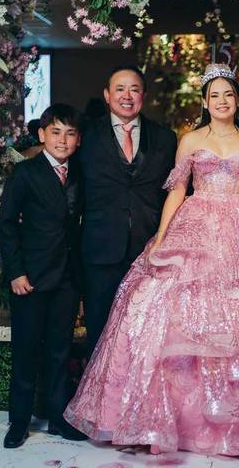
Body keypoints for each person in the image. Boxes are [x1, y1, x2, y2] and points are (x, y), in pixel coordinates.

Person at [63, 64, 239, 455]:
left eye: (228, 94)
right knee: (170, 314)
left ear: (238, 100)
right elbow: (176, 191)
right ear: (205, 101)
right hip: (196, 223)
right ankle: (175, 421)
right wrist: (162, 238)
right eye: (214, 95)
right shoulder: (189, 141)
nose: (221, 101)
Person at [0, 104, 88, 448]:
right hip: (31, 279)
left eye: (70, 133)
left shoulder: (80, 173)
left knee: (60, 351)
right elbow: (7, 225)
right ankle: (19, 422)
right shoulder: (26, 173)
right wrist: (16, 273)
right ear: (42, 135)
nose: (62, 140)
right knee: (26, 352)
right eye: (55, 132)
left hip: (67, 278)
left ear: (78, 139)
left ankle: (58, 419)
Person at [79, 64, 177, 358]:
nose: (127, 95)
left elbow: (174, 192)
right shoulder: (85, 135)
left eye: (134, 89)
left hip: (149, 249)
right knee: (99, 330)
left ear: (143, 95)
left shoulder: (165, 138)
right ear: (107, 95)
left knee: (146, 332)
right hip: (100, 248)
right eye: (120, 89)